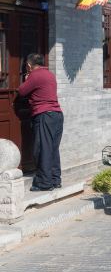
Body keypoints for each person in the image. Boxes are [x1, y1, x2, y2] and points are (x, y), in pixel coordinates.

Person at [17, 53, 64, 191]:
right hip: (57, 115)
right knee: (53, 149)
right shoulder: (49, 74)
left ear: (29, 65)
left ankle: (44, 183)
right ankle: (55, 180)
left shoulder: (35, 75)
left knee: (42, 149)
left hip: (44, 116)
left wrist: (26, 79)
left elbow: (22, 91)